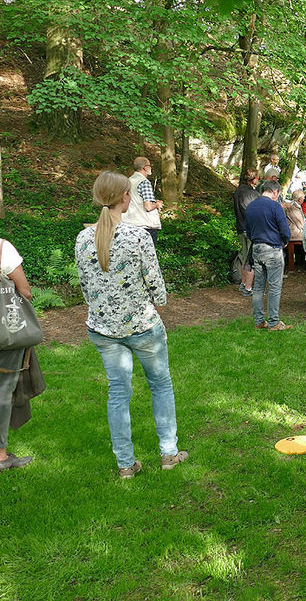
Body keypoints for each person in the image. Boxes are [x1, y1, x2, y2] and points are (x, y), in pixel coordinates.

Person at [75, 171, 187, 479]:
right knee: (161, 385)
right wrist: (159, 302)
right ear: (125, 197)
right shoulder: (137, 235)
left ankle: (126, 464)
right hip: (142, 327)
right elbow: (154, 280)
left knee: (118, 393)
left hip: (103, 329)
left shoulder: (83, 238)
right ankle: (168, 453)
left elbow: (86, 286)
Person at [0, 239, 34, 471]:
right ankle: (1, 456)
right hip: (5, 335)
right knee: (3, 389)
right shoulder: (3, 248)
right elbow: (24, 291)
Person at [245, 180, 291, 331]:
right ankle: (274, 322)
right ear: (275, 192)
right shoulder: (275, 206)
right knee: (274, 287)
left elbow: (248, 232)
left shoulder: (251, 206)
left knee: (258, 287)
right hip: (272, 249)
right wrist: (284, 241)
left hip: (256, 248)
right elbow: (284, 229)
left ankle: (259, 321)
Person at [123, 157, 163, 246]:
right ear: (145, 167)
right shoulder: (144, 182)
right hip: (144, 226)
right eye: (149, 166)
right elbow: (148, 207)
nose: (150, 168)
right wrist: (157, 204)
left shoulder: (127, 181)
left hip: (127, 224)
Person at [233, 169, 260, 296]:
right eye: (257, 178)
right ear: (254, 179)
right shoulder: (253, 194)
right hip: (250, 229)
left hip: (240, 227)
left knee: (244, 257)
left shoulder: (238, 190)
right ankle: (247, 287)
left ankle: (243, 283)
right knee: (250, 259)